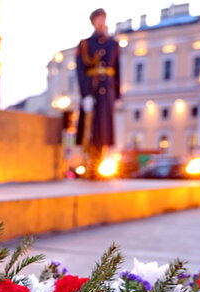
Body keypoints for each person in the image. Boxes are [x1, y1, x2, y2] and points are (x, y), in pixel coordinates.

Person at [75, 8, 121, 177]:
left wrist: (117, 95)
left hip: (107, 91)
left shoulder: (113, 44)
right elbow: (81, 71)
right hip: (92, 90)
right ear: (93, 22)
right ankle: (90, 165)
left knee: (105, 130)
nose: (101, 22)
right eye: (98, 19)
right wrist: (85, 94)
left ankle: (101, 165)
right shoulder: (85, 44)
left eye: (103, 18)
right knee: (91, 130)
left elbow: (117, 69)